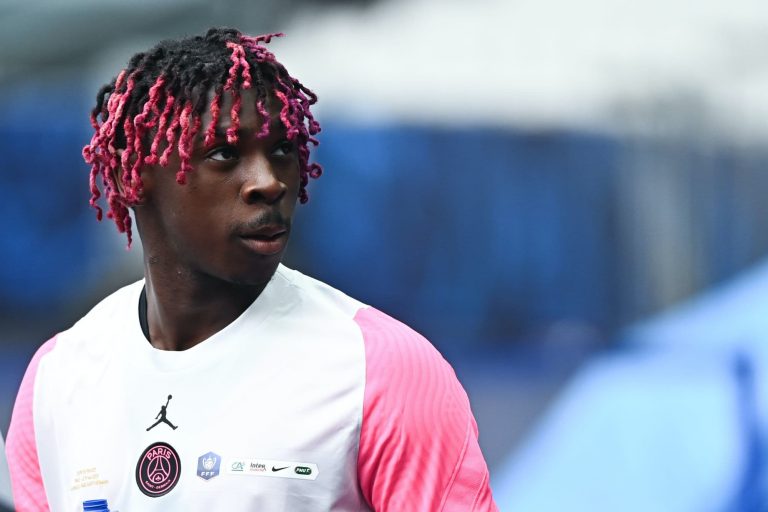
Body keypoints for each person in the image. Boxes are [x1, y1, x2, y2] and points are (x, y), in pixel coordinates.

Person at [5, 27, 497, 511]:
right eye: (224, 153)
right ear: (129, 176)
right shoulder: (59, 378)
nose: (268, 182)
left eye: (282, 150)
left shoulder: (382, 369)